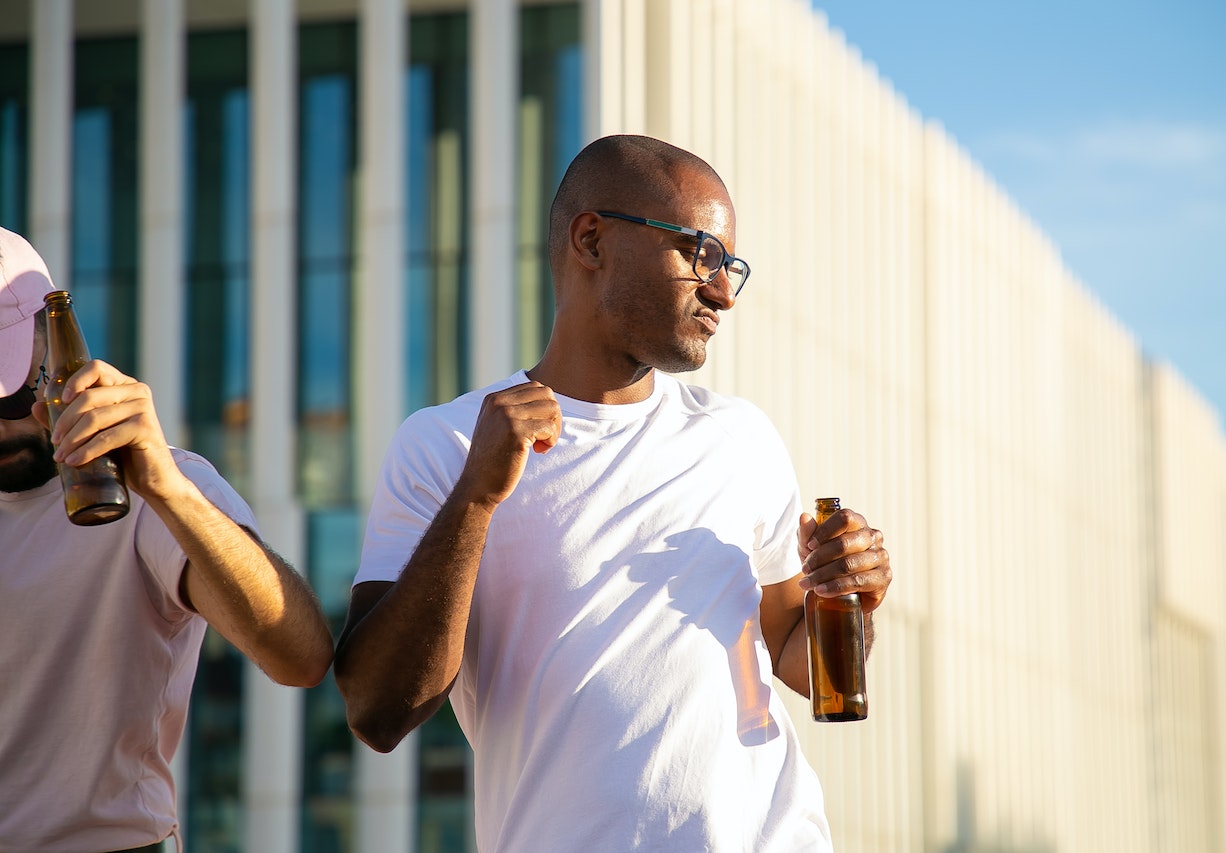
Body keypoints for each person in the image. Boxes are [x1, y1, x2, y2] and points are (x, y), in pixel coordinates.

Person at [334, 134, 893, 851]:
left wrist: (843, 597)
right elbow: (379, 710)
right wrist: (474, 500)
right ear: (592, 239)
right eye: (701, 254)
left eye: (731, 266)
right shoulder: (448, 445)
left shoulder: (740, 435)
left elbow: (797, 657)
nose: (722, 292)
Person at [0, 226, 334, 853]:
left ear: (57, 357)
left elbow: (300, 656)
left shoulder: (152, 489)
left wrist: (168, 489)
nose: (5, 422)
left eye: (15, 389)